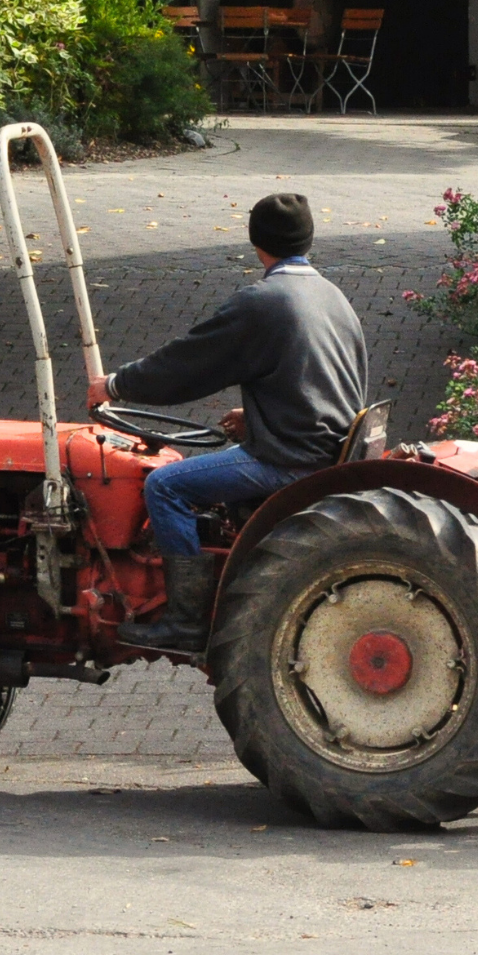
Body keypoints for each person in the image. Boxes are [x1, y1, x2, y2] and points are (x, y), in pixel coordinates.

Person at [90, 192, 368, 649]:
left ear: (257, 242)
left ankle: (185, 621)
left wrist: (116, 386)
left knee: (166, 486)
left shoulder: (262, 302)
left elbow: (187, 364)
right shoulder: (331, 295)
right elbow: (316, 374)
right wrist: (259, 412)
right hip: (323, 445)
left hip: (290, 458)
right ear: (308, 239)